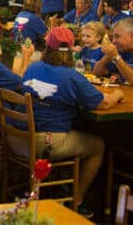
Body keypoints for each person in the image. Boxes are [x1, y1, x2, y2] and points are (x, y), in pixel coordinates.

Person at [18, 27, 125, 217]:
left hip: (17, 139)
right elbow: (104, 103)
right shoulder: (71, 76)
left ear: (47, 48)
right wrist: (118, 94)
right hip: (47, 143)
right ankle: (77, 200)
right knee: (98, 145)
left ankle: (60, 185)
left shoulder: (32, 67)